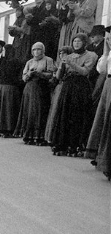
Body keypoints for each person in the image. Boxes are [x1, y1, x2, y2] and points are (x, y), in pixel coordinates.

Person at [46, 33, 99, 156]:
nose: (76, 43)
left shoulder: (91, 55)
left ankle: (76, 145)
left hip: (81, 87)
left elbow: (85, 72)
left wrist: (70, 63)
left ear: (85, 43)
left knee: (77, 115)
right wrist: (61, 66)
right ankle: (63, 144)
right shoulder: (69, 56)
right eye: (74, 41)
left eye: (79, 41)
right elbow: (59, 77)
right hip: (68, 86)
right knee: (64, 114)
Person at [14, 42, 56, 145]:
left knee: (40, 111)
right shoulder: (29, 62)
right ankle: (28, 135)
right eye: (34, 50)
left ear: (43, 50)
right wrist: (29, 74)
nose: (36, 52)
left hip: (41, 88)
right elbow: (24, 77)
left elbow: (50, 74)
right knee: (29, 111)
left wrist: (40, 74)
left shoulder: (48, 60)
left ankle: (40, 136)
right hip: (29, 88)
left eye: (38, 49)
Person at [85, 27, 111, 179]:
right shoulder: (108, 53)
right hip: (108, 85)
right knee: (103, 120)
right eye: (109, 37)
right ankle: (102, 159)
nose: (109, 40)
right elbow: (101, 69)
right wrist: (106, 52)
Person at [0, 44, 23, 137]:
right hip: (3, 86)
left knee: (8, 109)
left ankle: (9, 129)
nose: (3, 52)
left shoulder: (14, 61)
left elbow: (10, 74)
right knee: (3, 108)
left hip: (10, 87)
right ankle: (2, 128)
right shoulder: (4, 60)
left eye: (4, 50)